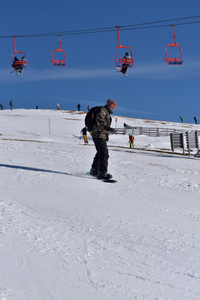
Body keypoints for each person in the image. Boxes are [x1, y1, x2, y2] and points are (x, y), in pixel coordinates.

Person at [90, 98, 117, 180]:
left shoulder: (107, 112)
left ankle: (94, 170)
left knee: (100, 153)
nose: (113, 108)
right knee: (104, 154)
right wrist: (108, 128)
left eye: (115, 106)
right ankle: (102, 173)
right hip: (99, 134)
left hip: (101, 135)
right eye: (112, 105)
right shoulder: (103, 110)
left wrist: (109, 129)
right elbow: (100, 121)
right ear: (108, 104)